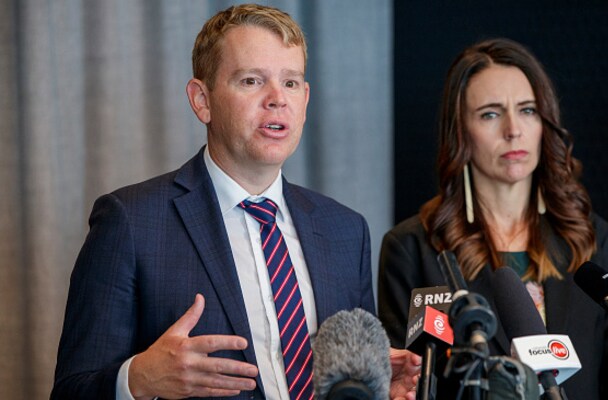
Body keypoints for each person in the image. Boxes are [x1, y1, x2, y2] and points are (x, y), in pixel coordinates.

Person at [51, 4, 420, 400]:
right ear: (202, 100)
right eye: (251, 81)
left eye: (291, 82)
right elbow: (72, 391)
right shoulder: (131, 222)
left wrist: (376, 389)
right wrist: (138, 378)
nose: (277, 99)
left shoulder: (346, 230)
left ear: (305, 98)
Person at [378, 38, 608, 399]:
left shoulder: (591, 236)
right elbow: (408, 379)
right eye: (490, 114)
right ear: (460, 131)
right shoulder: (412, 249)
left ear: (544, 122)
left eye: (527, 110)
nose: (513, 130)